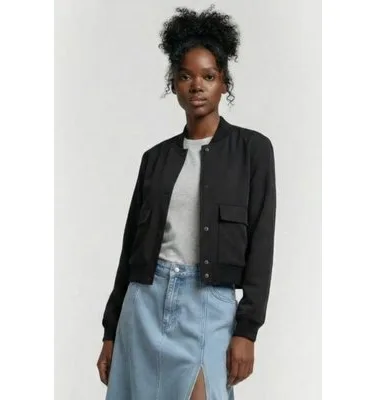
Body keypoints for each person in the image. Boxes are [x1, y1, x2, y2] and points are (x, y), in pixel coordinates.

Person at [97, 5, 277, 400]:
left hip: (208, 304)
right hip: (145, 302)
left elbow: (262, 245)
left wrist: (247, 330)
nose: (197, 86)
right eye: (185, 76)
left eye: (208, 76)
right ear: (174, 84)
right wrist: (110, 331)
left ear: (224, 83)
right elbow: (130, 249)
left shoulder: (252, 151)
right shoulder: (156, 159)